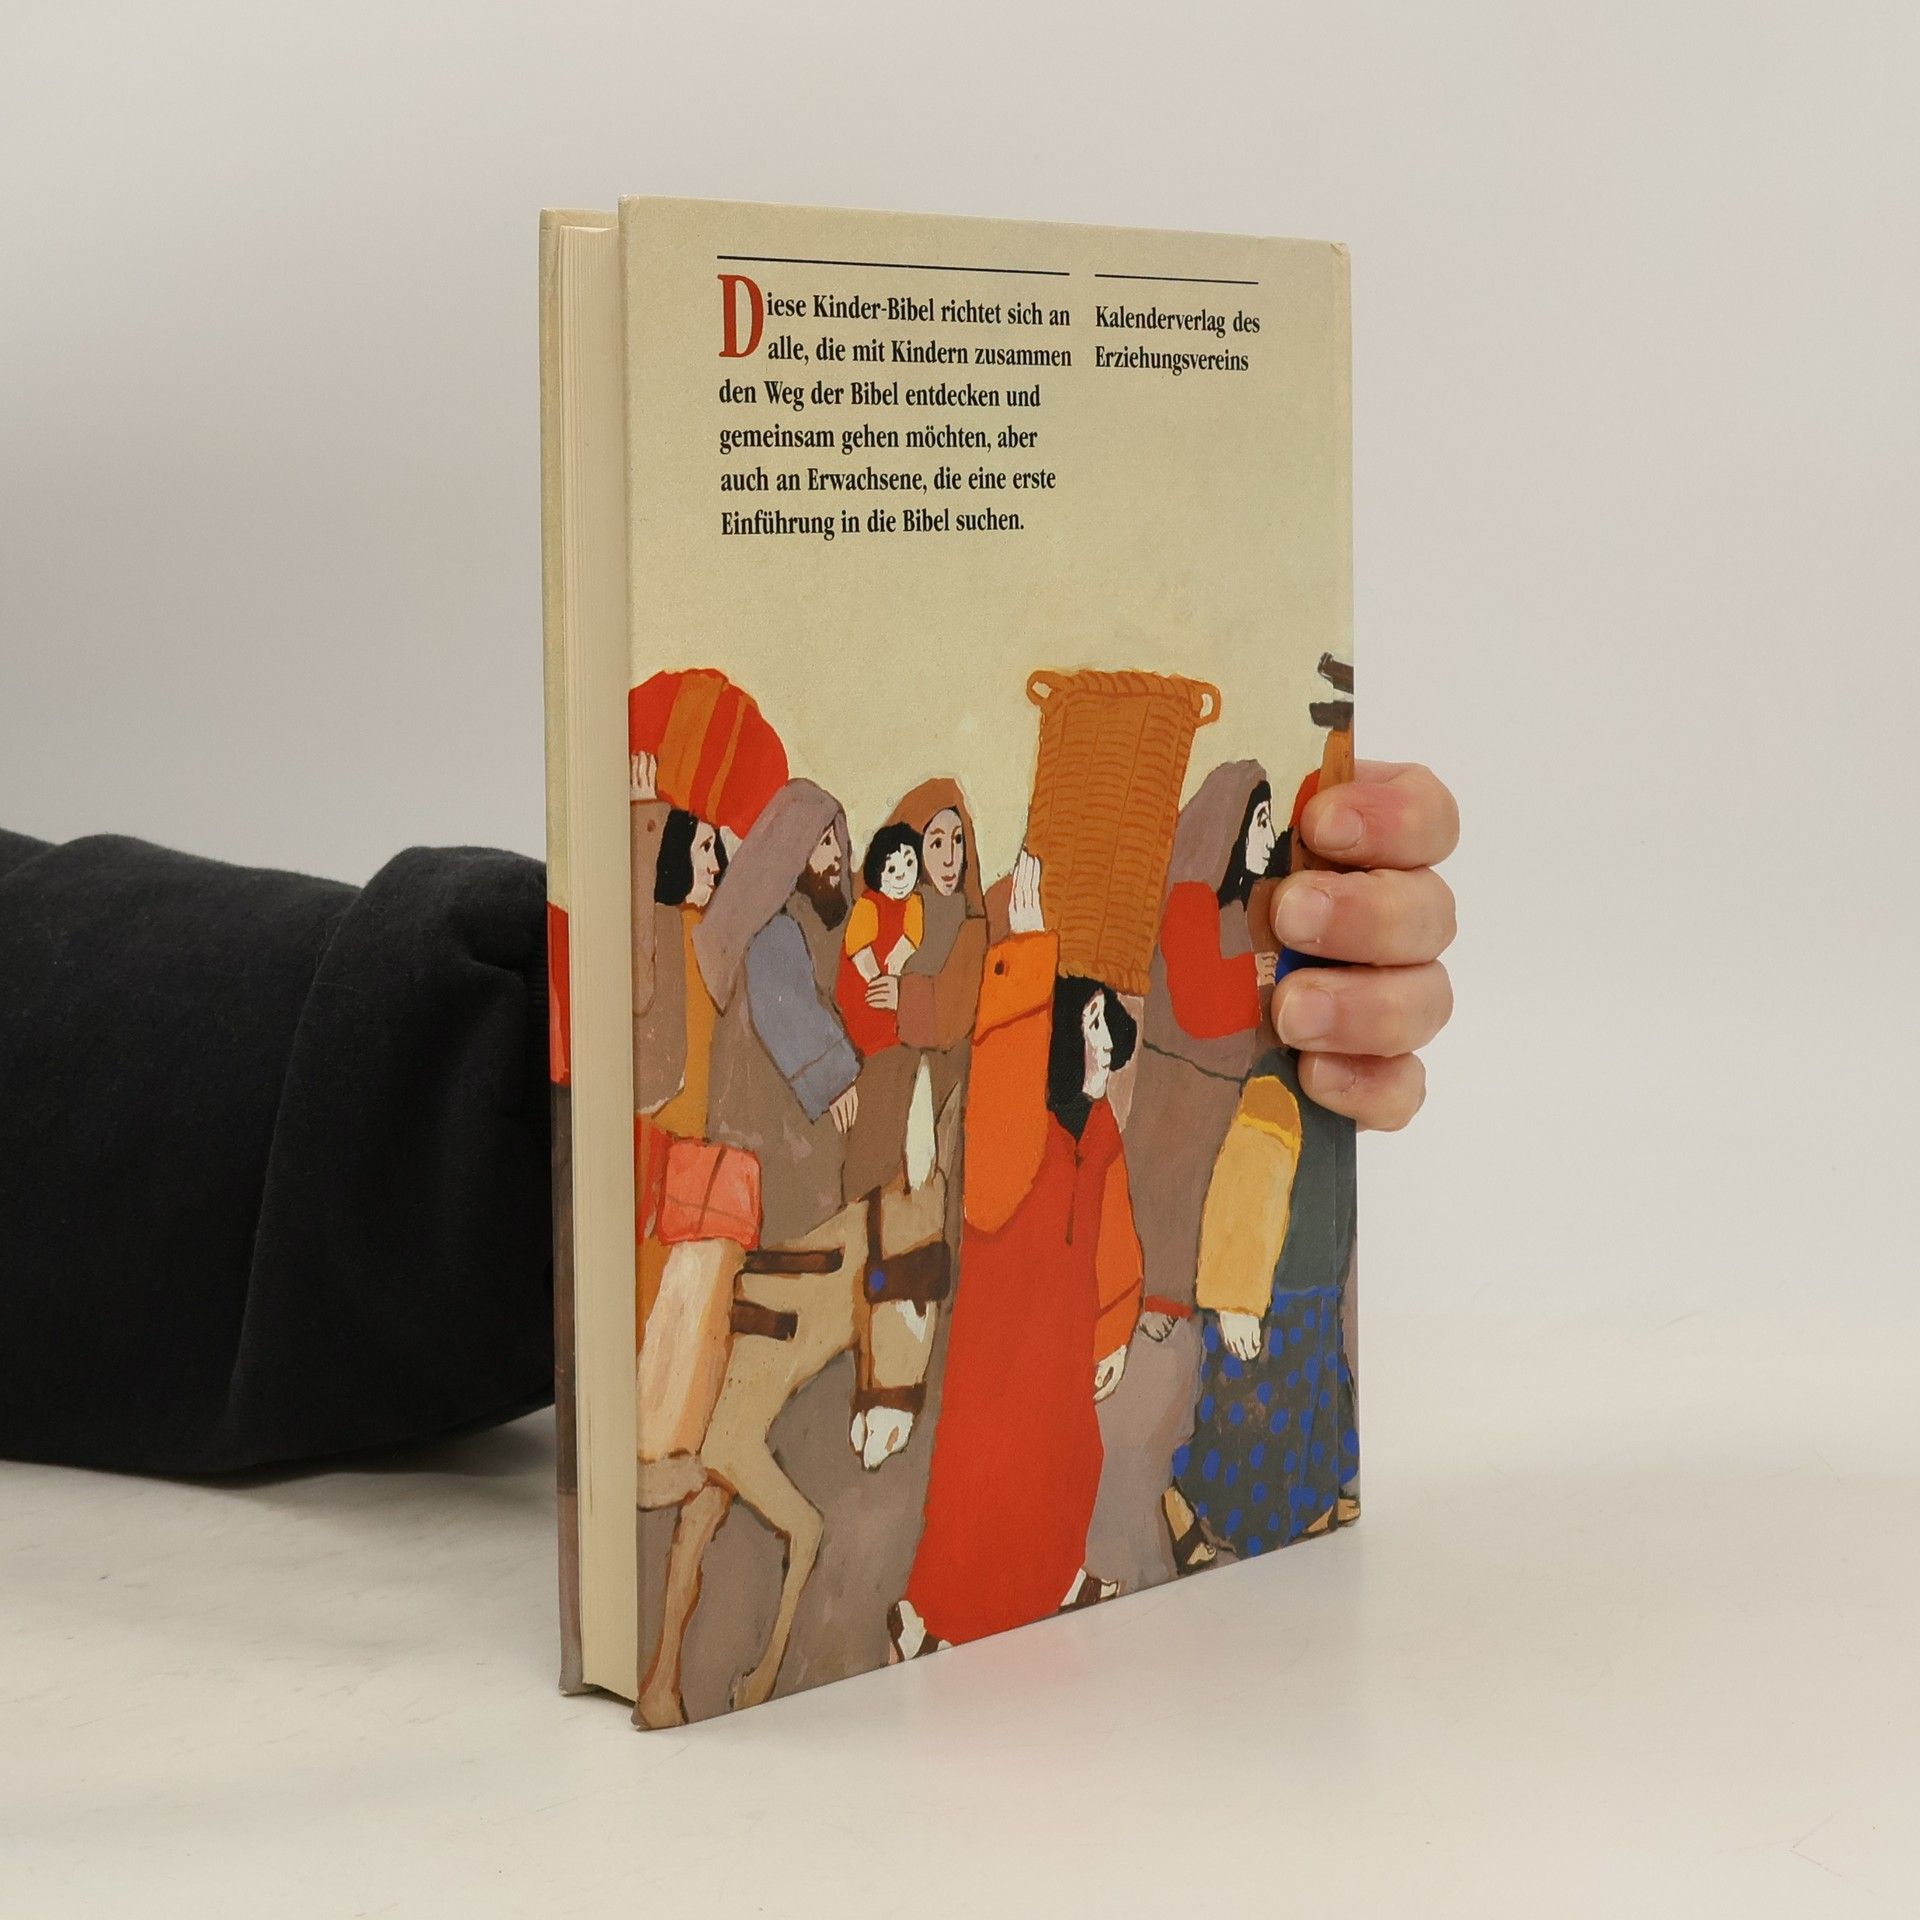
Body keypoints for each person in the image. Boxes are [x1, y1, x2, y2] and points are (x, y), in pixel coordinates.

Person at [0, 762, 1456, 1476]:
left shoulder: (881, 929)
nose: (894, 863)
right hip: (789, 1121)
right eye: (907, 847)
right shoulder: (806, 933)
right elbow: (806, 1007)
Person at [890, 853, 1143, 1657]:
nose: (1102, 1041)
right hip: (1002, 1339)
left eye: (1104, 1024)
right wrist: (1029, 958)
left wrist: (1113, 1328)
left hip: (1065, 1337)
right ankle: (933, 1618)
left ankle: (1053, 1582)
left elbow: (1115, 1233)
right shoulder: (1020, 1124)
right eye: (1089, 1024)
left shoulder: (1100, 1131)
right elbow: (1003, 1072)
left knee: (1073, 1457)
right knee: (983, 1472)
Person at [1088, 761, 1283, 1584]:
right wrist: (1259, 977)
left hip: (1220, 1111)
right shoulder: (1191, 902)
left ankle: (1173, 1499)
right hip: (1182, 1115)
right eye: (1259, 821)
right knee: (1161, 1323)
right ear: (1229, 829)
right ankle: (1123, 1524)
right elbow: (1204, 1006)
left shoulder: (1239, 908)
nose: (1267, 836)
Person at [835, 823, 924, 1059]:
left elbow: (911, 939)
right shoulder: (869, 905)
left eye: (909, 863)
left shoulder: (914, 904)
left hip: (894, 992)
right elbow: (858, 949)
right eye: (892, 869)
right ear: (878, 873)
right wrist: (877, 980)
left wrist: (897, 970)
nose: (902, 875)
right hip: (864, 989)